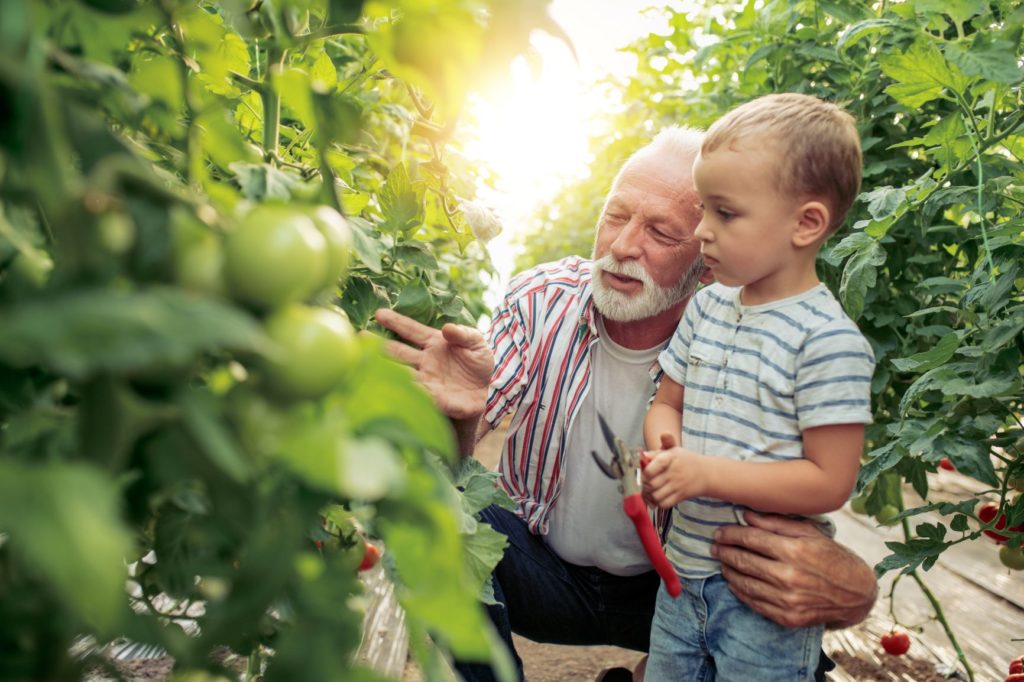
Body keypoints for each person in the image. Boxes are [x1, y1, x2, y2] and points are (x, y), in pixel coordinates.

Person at [374, 124, 878, 682]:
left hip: (678, 589)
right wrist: (461, 417)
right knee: (429, 515)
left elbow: (799, 488)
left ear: (706, 257)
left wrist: (853, 586)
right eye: (617, 215)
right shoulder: (540, 299)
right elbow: (456, 468)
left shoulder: (748, 338)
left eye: (661, 231)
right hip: (546, 574)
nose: (621, 246)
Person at [640, 94, 874, 680]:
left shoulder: (827, 342)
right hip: (682, 574)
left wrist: (706, 474)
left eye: (725, 213)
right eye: (702, 210)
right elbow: (667, 402)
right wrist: (667, 450)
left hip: (764, 594)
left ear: (806, 223)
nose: (701, 231)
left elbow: (830, 481)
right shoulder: (708, 308)